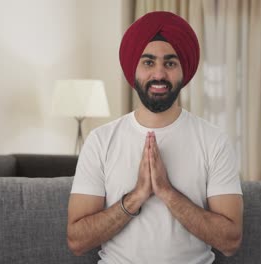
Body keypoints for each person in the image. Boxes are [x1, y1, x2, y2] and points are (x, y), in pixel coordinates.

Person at [67, 11, 243, 264]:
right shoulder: (100, 141)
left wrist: (167, 192)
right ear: (134, 69)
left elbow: (230, 242)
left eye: (170, 63)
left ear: (184, 70)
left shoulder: (214, 141)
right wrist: (137, 195)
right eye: (148, 62)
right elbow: (77, 241)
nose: (159, 74)